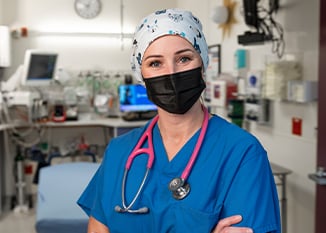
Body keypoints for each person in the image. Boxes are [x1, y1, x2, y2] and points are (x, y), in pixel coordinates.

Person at [77, 8, 281, 233]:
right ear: (141, 76)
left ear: (202, 64)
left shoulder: (242, 154)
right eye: (155, 63)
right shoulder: (119, 151)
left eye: (184, 59)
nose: (171, 73)